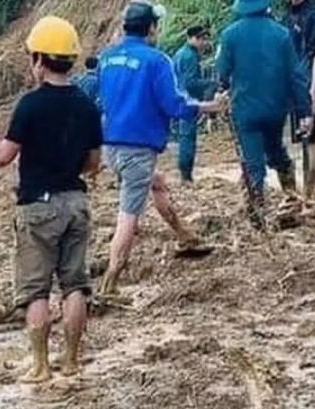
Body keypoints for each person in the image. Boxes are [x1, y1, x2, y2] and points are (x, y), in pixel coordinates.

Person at [0, 16, 101, 384]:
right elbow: (93, 164)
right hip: (76, 203)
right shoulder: (87, 106)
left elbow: (5, 155)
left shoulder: (30, 105)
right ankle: (71, 360)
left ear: (39, 60)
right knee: (76, 285)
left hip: (37, 207)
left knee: (36, 289)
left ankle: (40, 366)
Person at [97, 0, 226, 294]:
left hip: (112, 146)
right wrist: (209, 107)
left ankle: (184, 235)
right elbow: (174, 105)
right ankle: (110, 283)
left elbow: (104, 98)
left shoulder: (107, 58)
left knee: (156, 183)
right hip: (138, 148)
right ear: (152, 28)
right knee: (128, 215)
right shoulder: (157, 61)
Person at [216, 0, 312, 230]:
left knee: (253, 163)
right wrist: (305, 112)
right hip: (275, 109)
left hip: (245, 111)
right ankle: (291, 198)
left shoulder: (230, 35)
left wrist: (221, 90)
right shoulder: (281, 34)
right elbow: (296, 76)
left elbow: (222, 72)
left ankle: (257, 214)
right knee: (277, 151)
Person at [285, 0, 315, 198]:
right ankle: (308, 187)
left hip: (308, 83)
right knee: (300, 138)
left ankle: (310, 192)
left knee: (309, 140)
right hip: (295, 84)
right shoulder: (291, 11)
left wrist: (314, 89)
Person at [173, 25, 215, 183]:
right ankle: (186, 175)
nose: (204, 42)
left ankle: (185, 173)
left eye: (205, 38)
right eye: (201, 39)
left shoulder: (180, 53)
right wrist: (210, 84)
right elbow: (191, 83)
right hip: (188, 100)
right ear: (192, 39)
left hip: (180, 98)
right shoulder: (190, 56)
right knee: (187, 138)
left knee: (185, 137)